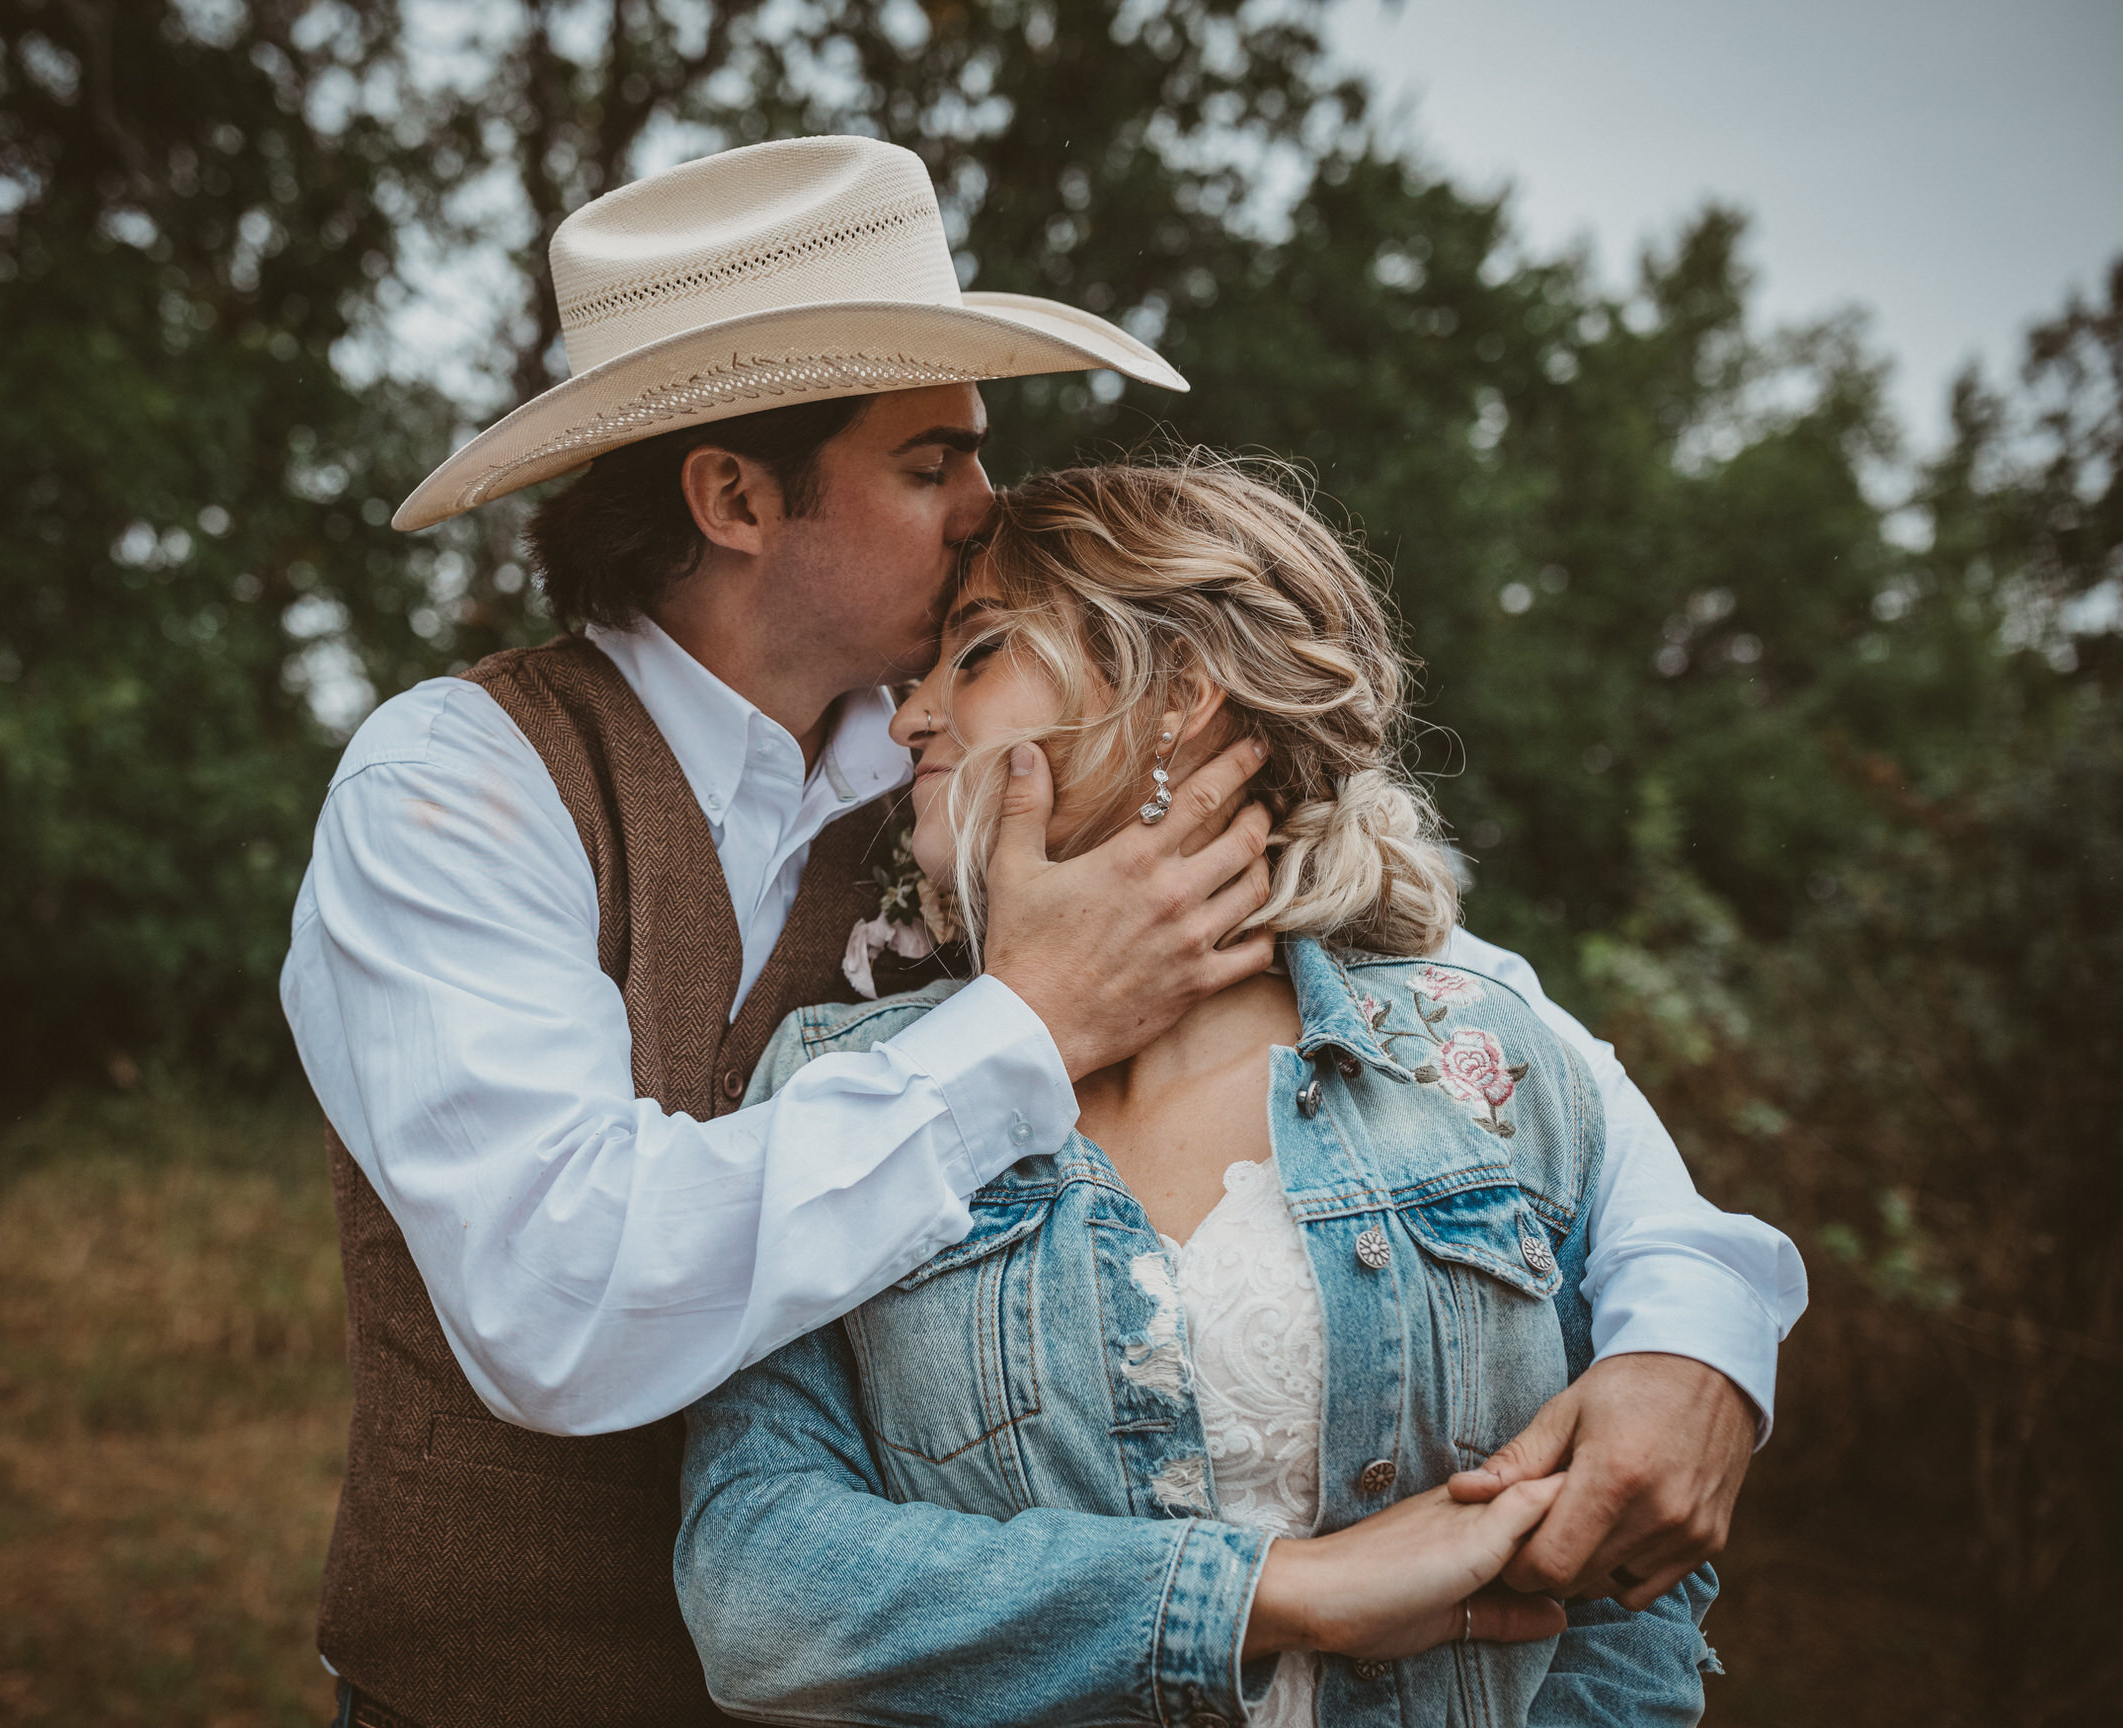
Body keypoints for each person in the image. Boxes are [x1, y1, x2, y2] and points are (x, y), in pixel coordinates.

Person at [282, 137, 1805, 1728]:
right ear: (735, 496)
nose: (985, 503)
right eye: (931, 462)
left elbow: (1484, 1060)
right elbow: (560, 1298)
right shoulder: (462, 782)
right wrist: (1028, 1023)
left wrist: (1696, 1337)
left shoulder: (977, 772)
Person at [678, 455, 1733, 1725]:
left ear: (1173, 689)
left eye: (978, 651)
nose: (908, 718)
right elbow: (757, 1590)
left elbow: (1621, 1586)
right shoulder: (831, 1078)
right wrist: (1272, 1591)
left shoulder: (1479, 1059)